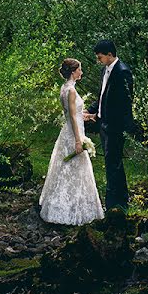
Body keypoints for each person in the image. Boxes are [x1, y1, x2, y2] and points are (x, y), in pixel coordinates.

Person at [38, 58, 105, 225]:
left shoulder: (65, 88)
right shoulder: (72, 91)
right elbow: (73, 119)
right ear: (74, 72)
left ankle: (65, 205)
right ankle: (72, 210)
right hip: (73, 134)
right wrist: (78, 140)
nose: (81, 72)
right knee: (77, 169)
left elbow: (72, 114)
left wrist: (88, 116)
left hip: (67, 132)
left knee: (66, 169)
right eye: (80, 70)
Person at [83, 40, 137, 213]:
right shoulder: (104, 71)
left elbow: (125, 103)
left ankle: (117, 205)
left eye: (100, 57)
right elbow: (102, 97)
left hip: (114, 126)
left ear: (109, 54)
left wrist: (113, 123)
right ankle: (116, 204)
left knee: (114, 164)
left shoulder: (123, 72)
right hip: (104, 124)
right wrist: (90, 111)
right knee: (111, 163)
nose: (99, 60)